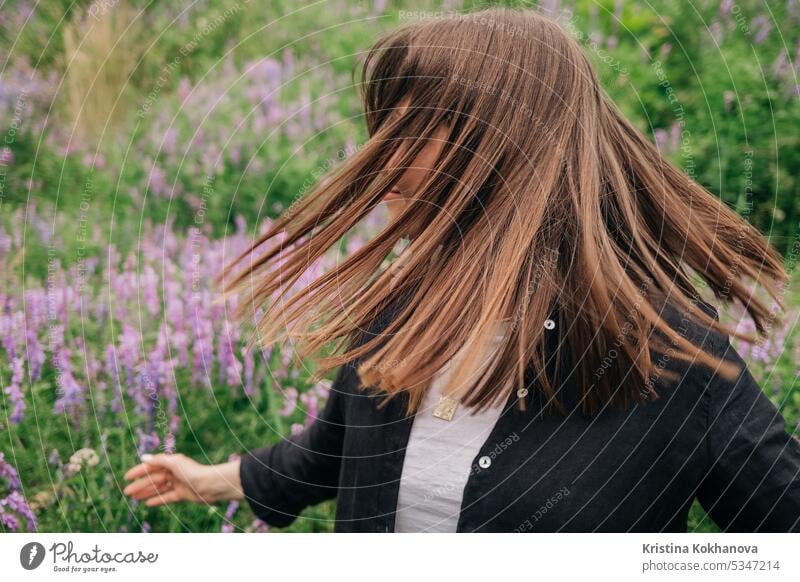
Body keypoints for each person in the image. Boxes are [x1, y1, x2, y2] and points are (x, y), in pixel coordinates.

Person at [123, 7, 800, 532]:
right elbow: (333, 450)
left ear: (506, 150)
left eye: (408, 130)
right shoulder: (406, 309)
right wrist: (213, 478)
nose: (378, 157)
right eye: (380, 125)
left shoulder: (668, 354)